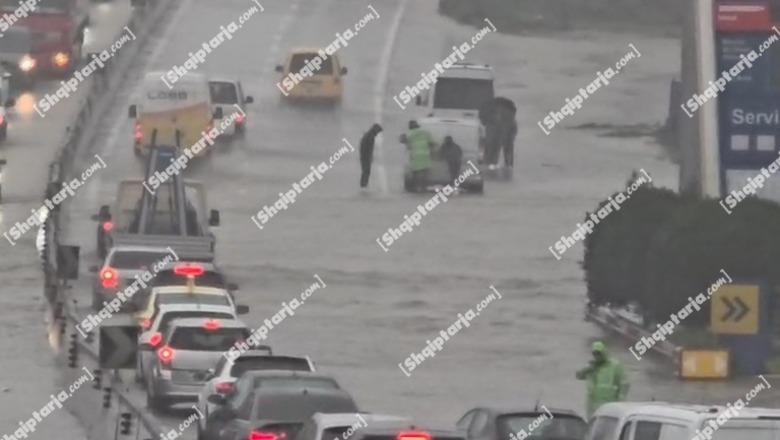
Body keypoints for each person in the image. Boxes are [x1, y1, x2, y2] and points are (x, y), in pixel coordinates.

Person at [575, 341, 630, 418]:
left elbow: (625, 384)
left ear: (604, 353)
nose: (597, 356)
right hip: (592, 408)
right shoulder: (591, 366)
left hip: (609, 407)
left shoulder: (615, 366)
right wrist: (588, 368)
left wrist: (620, 402)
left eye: (599, 353)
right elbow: (578, 376)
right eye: (595, 354)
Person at [404, 120, 434, 192]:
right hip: (425, 155)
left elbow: (408, 146)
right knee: (425, 172)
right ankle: (424, 187)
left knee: (415, 173)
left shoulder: (409, 134)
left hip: (416, 155)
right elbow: (431, 143)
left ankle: (416, 187)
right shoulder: (425, 132)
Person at [359, 123, 382, 188]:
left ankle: (363, 185)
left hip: (363, 156)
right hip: (365, 157)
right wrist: (369, 157)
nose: (377, 134)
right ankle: (364, 185)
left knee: (365, 171)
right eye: (378, 132)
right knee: (366, 171)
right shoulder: (371, 136)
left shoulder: (368, 135)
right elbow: (369, 149)